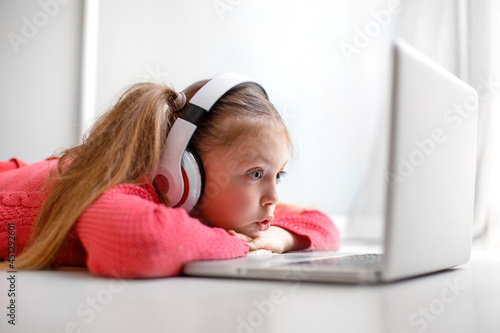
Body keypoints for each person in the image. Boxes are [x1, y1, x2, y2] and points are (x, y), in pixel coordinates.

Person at [0, 74, 340, 278]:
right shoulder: (127, 192)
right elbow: (139, 243)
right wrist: (235, 245)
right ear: (184, 175)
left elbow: (323, 224)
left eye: (277, 175)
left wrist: (278, 240)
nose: (274, 197)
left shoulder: (226, 206)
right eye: (255, 174)